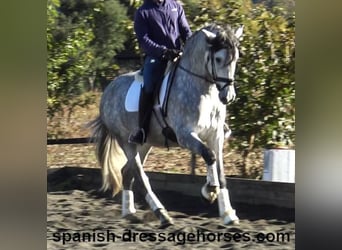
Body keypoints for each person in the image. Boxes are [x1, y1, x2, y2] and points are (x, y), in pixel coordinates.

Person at [128, 0, 192, 145]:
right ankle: (142, 130)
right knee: (149, 84)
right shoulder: (143, 12)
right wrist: (163, 52)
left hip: (179, 55)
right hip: (156, 58)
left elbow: (186, 31)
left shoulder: (175, 6)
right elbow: (144, 40)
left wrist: (191, 46)